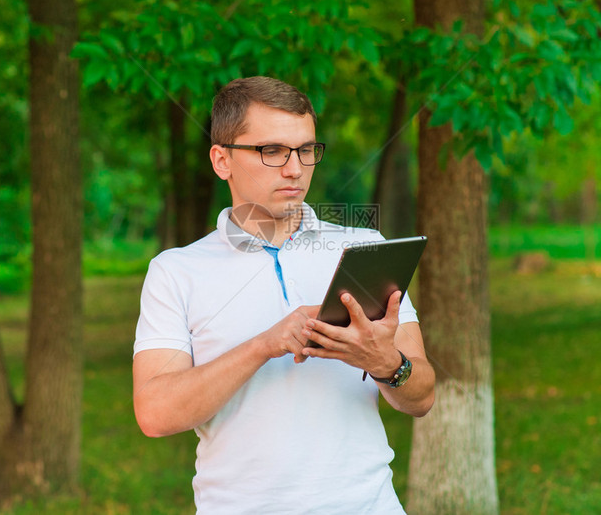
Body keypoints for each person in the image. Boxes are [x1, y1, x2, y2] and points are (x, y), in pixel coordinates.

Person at [133, 76, 435, 514]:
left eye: (306, 150)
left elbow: (423, 396)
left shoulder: (365, 247)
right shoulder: (176, 271)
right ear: (222, 160)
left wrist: (385, 362)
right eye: (271, 151)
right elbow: (155, 414)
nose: (295, 168)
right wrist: (264, 345)